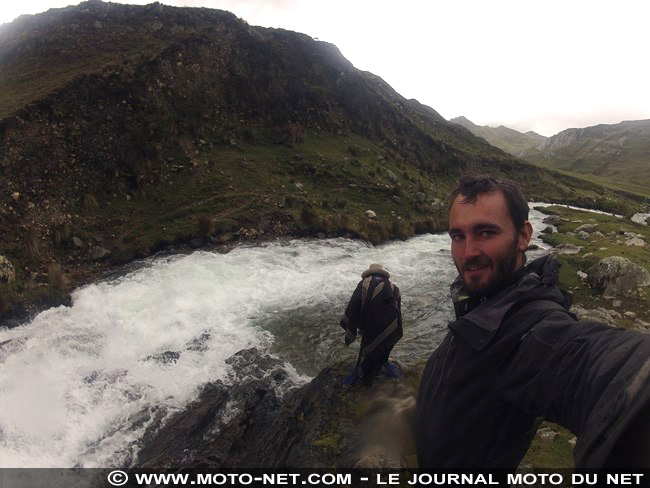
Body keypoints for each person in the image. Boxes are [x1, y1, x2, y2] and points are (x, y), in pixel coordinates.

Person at [415, 175, 650, 469]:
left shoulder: (530, 328)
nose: (468, 252)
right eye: (458, 236)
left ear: (524, 236)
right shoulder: (482, 301)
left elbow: (594, 365)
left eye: (486, 233)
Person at [340, 263, 403, 385]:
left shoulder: (364, 284)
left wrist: (353, 325)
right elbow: (397, 312)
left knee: (366, 346)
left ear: (369, 273)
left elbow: (354, 305)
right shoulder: (394, 288)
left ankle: (359, 371)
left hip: (368, 324)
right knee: (386, 340)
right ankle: (384, 362)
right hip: (388, 325)